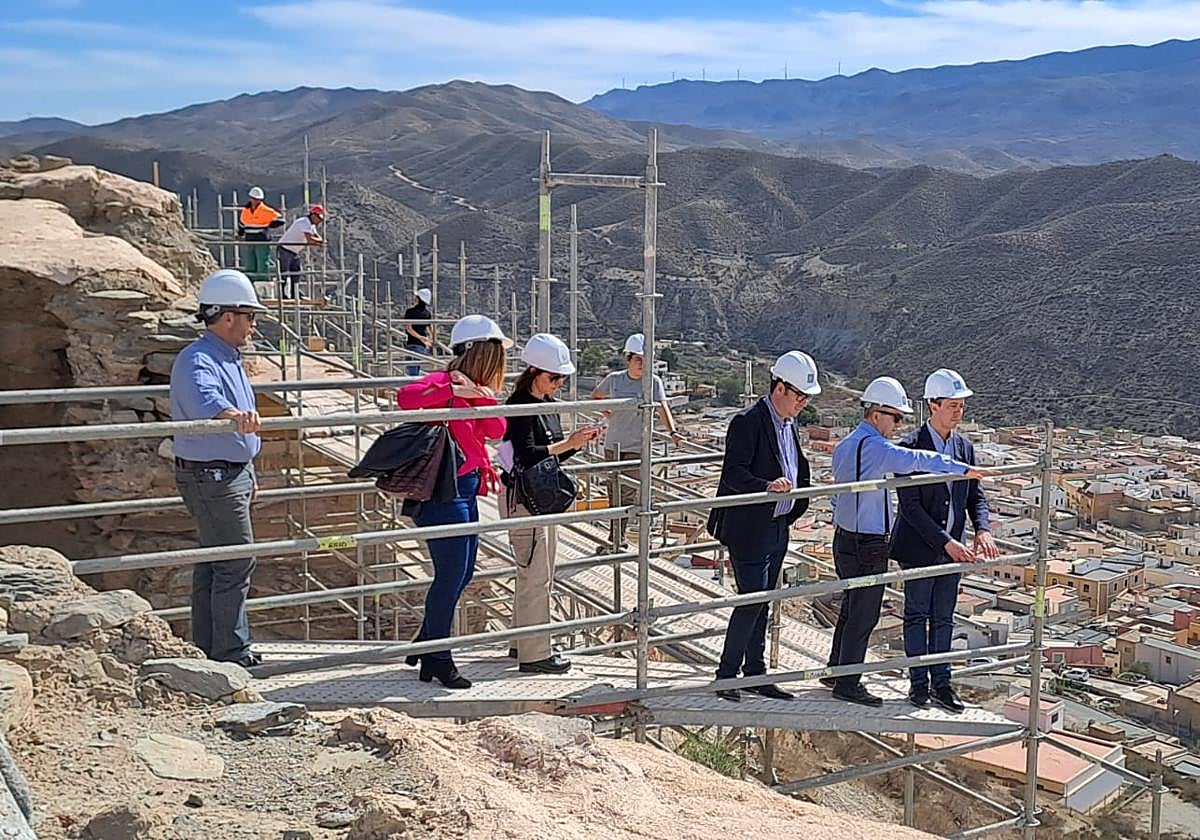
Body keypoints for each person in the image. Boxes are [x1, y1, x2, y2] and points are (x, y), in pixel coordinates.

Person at [826, 376, 988, 707]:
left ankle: (837, 671)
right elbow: (918, 464)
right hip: (870, 542)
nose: (898, 425)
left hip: (845, 537)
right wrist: (958, 468)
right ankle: (849, 682)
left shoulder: (845, 445)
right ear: (875, 414)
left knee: (852, 609)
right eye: (895, 417)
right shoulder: (880, 447)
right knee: (865, 615)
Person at [396, 314, 510, 689]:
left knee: (462, 573)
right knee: (449, 575)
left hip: (466, 488)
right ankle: (439, 656)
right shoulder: (442, 382)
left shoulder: (476, 388)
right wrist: (453, 393)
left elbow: (496, 429)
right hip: (443, 492)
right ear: (481, 354)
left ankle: (428, 644)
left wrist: (478, 396)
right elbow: (406, 397)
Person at [707, 352, 821, 702]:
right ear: (780, 388)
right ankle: (726, 675)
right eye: (800, 395)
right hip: (750, 528)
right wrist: (767, 487)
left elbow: (796, 468)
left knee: (764, 601)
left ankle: (754, 673)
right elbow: (734, 473)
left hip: (777, 526)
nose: (803, 403)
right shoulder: (747, 422)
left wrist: (793, 504)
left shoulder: (789, 425)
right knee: (752, 601)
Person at [169, 269, 268, 668]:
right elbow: (204, 398)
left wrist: (248, 470)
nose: (252, 325)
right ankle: (231, 652)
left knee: (216, 559)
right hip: (212, 474)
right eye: (249, 316)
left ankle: (211, 648)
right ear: (228, 316)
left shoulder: (225, 357)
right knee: (235, 560)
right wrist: (232, 415)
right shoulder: (199, 359)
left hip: (229, 470)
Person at [891, 369, 998, 713]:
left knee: (944, 617)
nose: (958, 411)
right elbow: (910, 507)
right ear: (932, 405)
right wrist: (945, 542)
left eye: (961, 405)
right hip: (922, 547)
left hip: (955, 549)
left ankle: (943, 682)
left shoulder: (964, 447)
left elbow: (974, 496)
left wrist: (982, 528)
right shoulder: (908, 448)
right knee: (917, 614)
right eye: (952, 405)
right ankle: (918, 684)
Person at [501, 334, 603, 674]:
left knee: (534, 574)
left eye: (562, 378)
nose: (558, 384)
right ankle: (535, 655)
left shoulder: (545, 406)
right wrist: (567, 443)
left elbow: (552, 457)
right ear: (533, 371)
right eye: (554, 377)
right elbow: (528, 455)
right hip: (524, 499)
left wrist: (577, 443)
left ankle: (522, 644)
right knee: (536, 577)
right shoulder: (520, 406)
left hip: (539, 499)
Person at [590, 332, 681, 546]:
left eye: (646, 359)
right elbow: (595, 397)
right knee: (613, 491)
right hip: (613, 445)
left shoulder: (653, 382)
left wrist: (673, 432)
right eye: (638, 359)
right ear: (628, 359)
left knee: (628, 493)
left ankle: (617, 539)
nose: (642, 363)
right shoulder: (614, 380)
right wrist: (609, 413)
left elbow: (662, 407)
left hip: (636, 447)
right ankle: (615, 538)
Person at [275, 204, 325, 298]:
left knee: (296, 272)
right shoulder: (304, 222)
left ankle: (295, 293)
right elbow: (310, 240)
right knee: (284, 274)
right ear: (313, 215)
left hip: (294, 251)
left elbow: (317, 238)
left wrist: (320, 241)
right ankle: (283, 295)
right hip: (285, 249)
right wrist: (321, 241)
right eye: (319, 218)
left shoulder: (311, 226)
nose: (319, 221)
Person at [237, 186, 282, 284]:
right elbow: (242, 224)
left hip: (262, 241)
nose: (255, 201)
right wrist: (240, 232)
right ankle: (250, 285)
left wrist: (269, 225)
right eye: (254, 199)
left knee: (262, 264)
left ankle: (262, 285)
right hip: (249, 240)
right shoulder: (246, 211)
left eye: (257, 199)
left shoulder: (265, 210)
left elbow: (280, 219)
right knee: (250, 265)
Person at [403, 288, 434, 376]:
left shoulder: (410, 312)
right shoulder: (427, 313)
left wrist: (421, 338)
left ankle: (413, 388)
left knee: (412, 371)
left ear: (418, 299)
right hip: (422, 345)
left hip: (412, 342)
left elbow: (409, 328)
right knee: (416, 368)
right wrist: (429, 340)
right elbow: (431, 328)